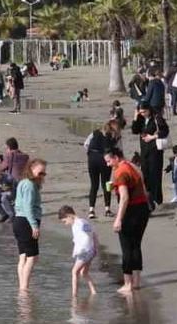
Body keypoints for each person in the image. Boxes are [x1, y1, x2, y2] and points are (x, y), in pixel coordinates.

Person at [105, 147, 150, 293]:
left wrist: (118, 219)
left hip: (131, 211)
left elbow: (124, 198)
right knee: (136, 245)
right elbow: (140, 186)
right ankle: (136, 281)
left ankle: (127, 283)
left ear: (116, 158)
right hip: (143, 209)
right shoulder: (133, 166)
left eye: (108, 161)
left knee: (126, 247)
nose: (108, 164)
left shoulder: (120, 172)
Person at [13, 158, 47, 292]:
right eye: (40, 173)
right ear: (31, 170)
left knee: (23, 256)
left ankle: (22, 287)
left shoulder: (24, 183)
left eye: (44, 174)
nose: (42, 176)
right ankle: (24, 288)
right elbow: (27, 207)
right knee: (32, 257)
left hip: (19, 221)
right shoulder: (29, 185)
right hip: (26, 222)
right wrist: (34, 225)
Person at [131, 104, 168, 210]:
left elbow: (165, 131)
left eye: (144, 112)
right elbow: (134, 130)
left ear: (149, 110)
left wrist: (152, 137)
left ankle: (157, 199)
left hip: (155, 150)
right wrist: (135, 117)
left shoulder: (156, 118)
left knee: (155, 175)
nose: (142, 114)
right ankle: (148, 199)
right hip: (144, 151)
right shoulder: (141, 119)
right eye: (140, 112)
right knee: (145, 175)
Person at [59, 206, 99, 297]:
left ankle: (74, 296)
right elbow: (94, 235)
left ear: (69, 216)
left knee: (74, 272)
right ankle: (93, 291)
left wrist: (79, 251)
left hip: (84, 251)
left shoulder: (77, 224)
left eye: (65, 221)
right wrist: (95, 248)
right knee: (83, 273)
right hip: (91, 251)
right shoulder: (84, 221)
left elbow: (85, 237)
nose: (66, 224)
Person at [84, 120, 119, 219]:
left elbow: (86, 144)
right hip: (105, 159)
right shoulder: (112, 136)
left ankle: (91, 210)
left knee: (94, 184)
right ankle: (107, 209)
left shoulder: (95, 133)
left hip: (93, 159)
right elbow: (116, 149)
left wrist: (91, 154)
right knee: (107, 183)